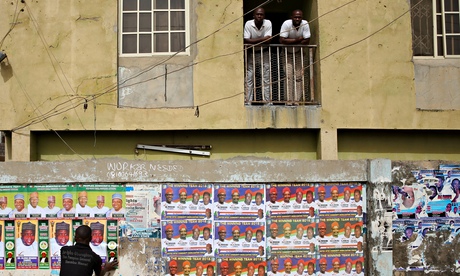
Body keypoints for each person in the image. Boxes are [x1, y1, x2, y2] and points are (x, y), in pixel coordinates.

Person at [279, 9, 310, 103]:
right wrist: (298, 39)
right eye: (295, 17)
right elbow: (282, 40)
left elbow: (307, 41)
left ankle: (296, 100)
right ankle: (289, 100)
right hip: (286, 53)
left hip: (298, 53)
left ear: (302, 17)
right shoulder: (287, 24)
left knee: (299, 77)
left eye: (299, 17)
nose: (297, 18)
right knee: (289, 77)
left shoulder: (305, 24)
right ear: (291, 17)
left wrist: (291, 41)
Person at [244, 7, 272, 104]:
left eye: (261, 14)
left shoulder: (268, 23)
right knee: (249, 77)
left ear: (264, 16)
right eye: (258, 14)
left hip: (264, 52)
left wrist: (254, 41)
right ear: (254, 15)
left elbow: (269, 40)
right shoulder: (248, 24)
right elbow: (246, 40)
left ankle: (267, 101)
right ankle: (248, 100)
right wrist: (263, 40)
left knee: (266, 77)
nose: (259, 16)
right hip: (251, 53)